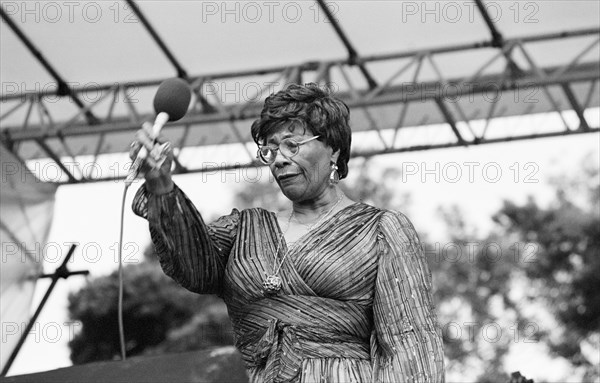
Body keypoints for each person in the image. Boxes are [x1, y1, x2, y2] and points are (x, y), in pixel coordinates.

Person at [130, 83, 445, 382]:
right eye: (270, 150)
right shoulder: (244, 229)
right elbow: (191, 262)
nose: (279, 159)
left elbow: (410, 343)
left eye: (293, 145)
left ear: (333, 149)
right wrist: (161, 183)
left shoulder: (380, 230)